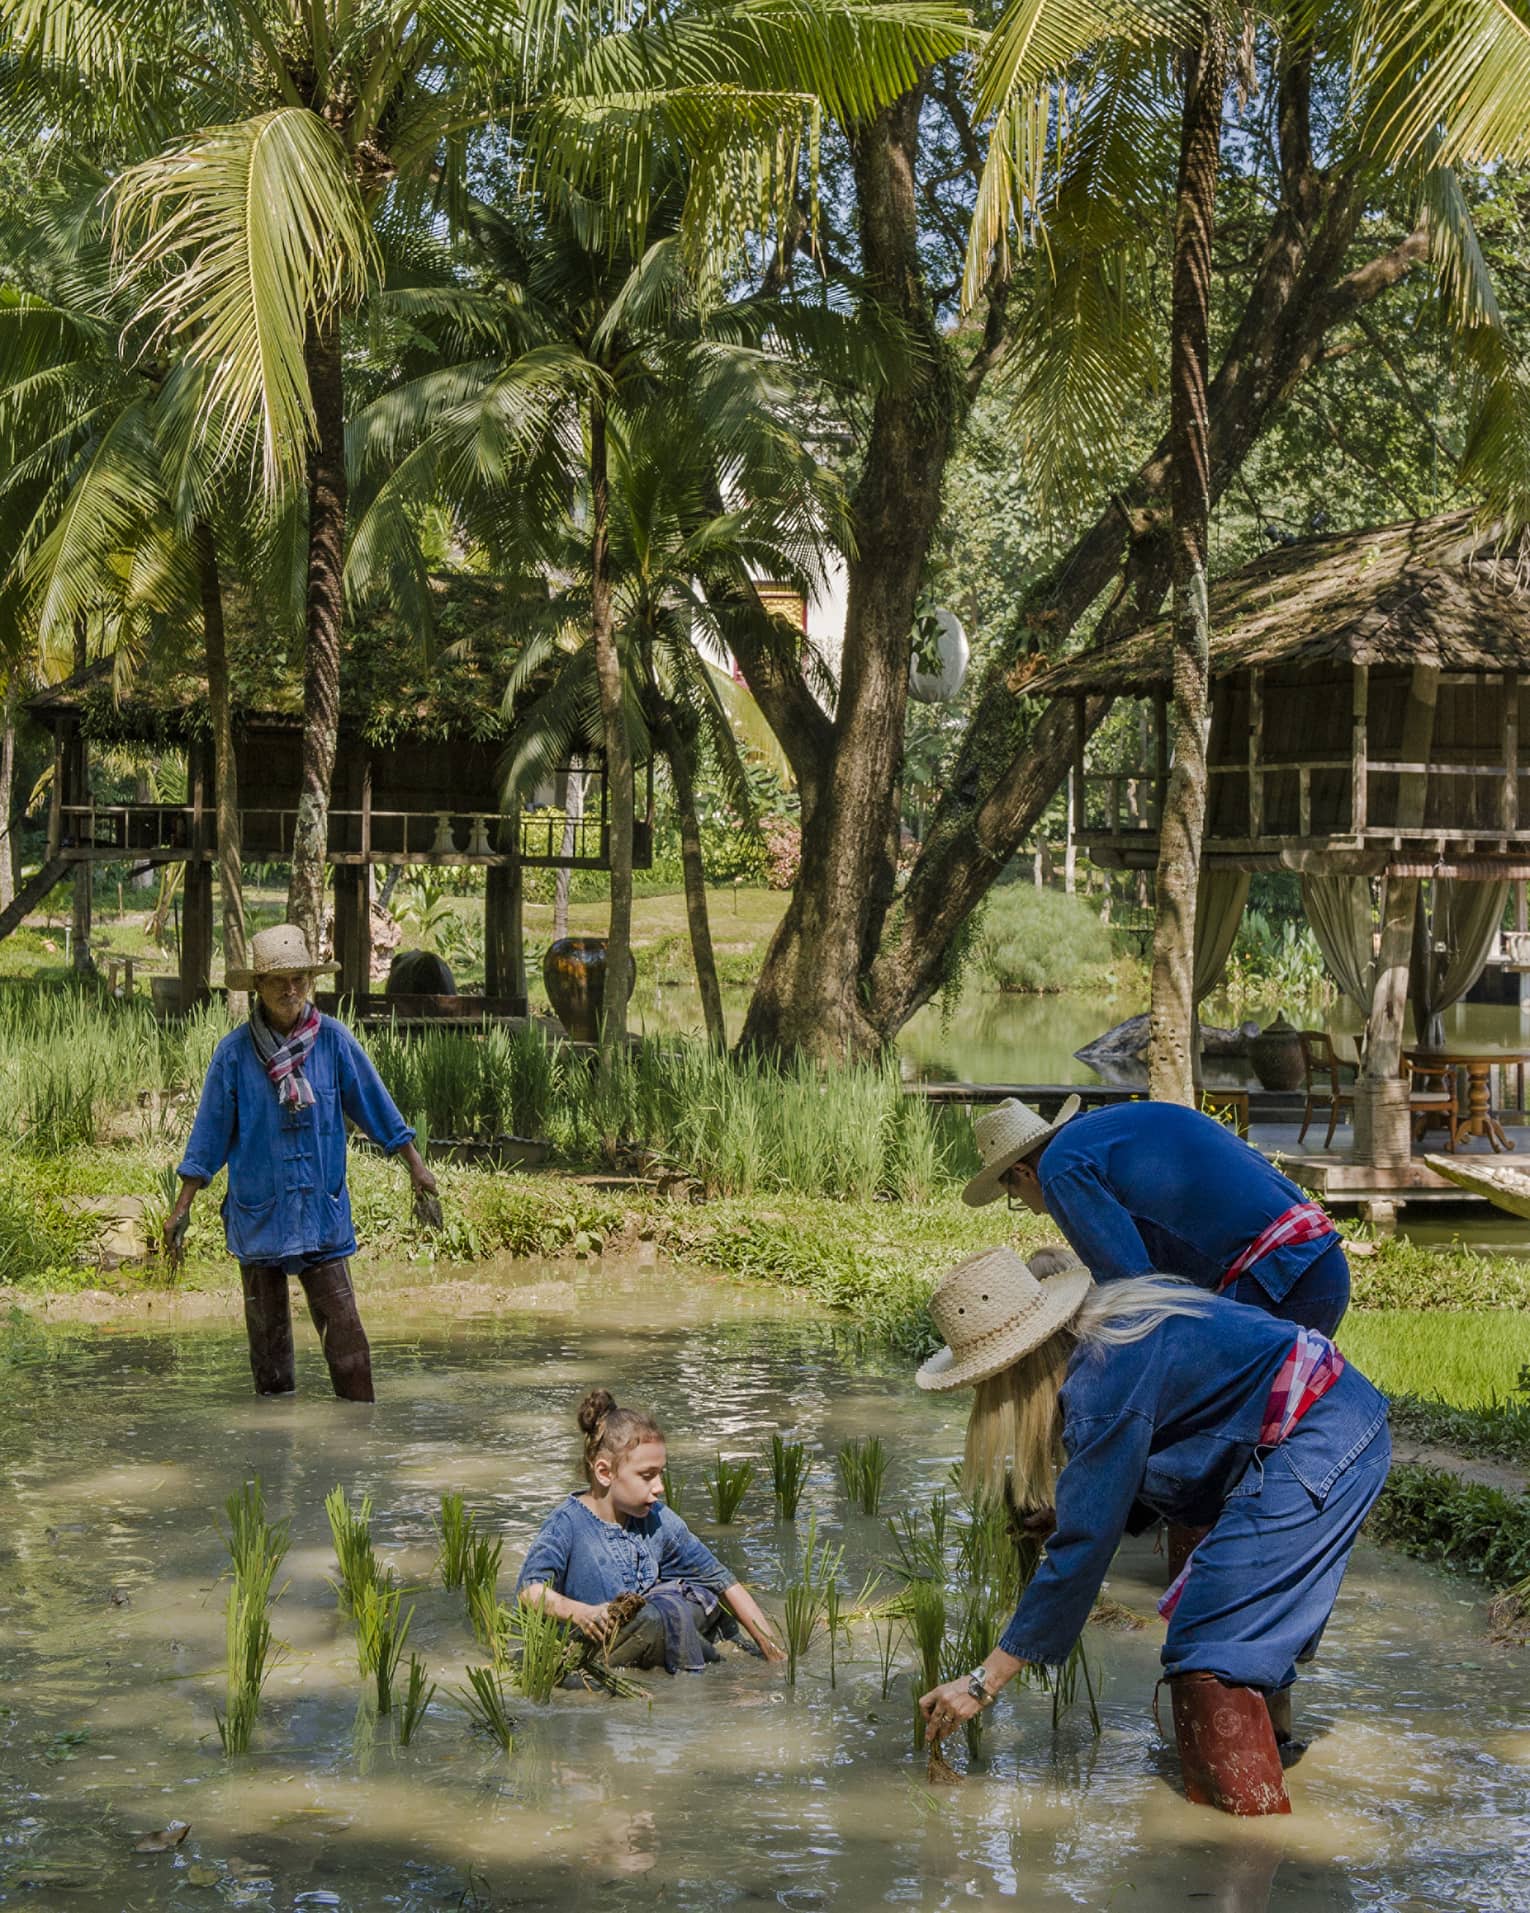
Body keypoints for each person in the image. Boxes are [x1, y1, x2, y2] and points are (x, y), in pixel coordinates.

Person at [913, 1246, 1389, 1815]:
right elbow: (1155, 1451)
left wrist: (982, 1681)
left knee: (1210, 1648)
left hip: (1321, 1433)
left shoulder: (1100, 1381)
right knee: (1239, 1629)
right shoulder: (1110, 1335)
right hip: (1328, 1417)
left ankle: (1245, 1834)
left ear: (1016, 1367)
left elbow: (1084, 1550)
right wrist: (1072, 1513)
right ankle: (1271, 1763)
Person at [162, 923, 438, 1402]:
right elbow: (208, 1136)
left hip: (319, 1211)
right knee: (269, 1352)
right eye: (278, 981)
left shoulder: (333, 1040)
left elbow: (374, 1104)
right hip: (260, 1213)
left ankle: (357, 1430)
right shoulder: (233, 1055)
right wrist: (182, 1206)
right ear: (258, 989)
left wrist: (415, 1165)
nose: (290, 990)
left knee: (347, 1342)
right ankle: (274, 1443)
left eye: (299, 979)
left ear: (309, 982)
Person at [964, 1097, 1349, 1336]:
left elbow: (1135, 1294)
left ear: (1023, 1173)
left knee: (1189, 1422)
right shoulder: (1107, 1130)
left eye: (1015, 1196)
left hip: (1282, 1280)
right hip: (1318, 1260)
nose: (1033, 1209)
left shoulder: (1061, 1168)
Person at [517, 1388, 784, 1673]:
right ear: (605, 1473)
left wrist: (775, 1655)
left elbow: (723, 1582)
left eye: (661, 1474)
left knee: (704, 1597)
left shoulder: (657, 1519)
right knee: (657, 1619)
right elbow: (529, 1591)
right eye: (647, 1476)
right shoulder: (567, 1524)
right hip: (596, 1646)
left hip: (649, 1629)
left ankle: (710, 1658)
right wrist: (583, 1613)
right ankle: (700, 1672)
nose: (659, 1487)